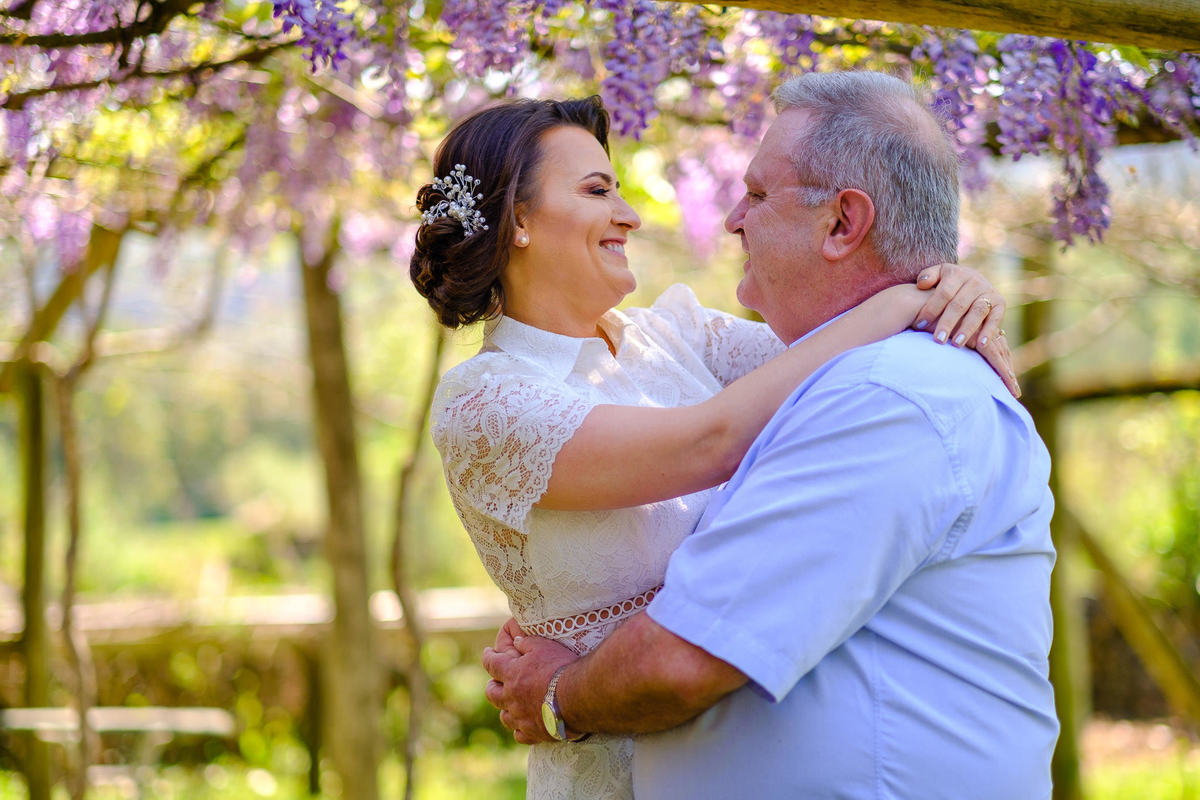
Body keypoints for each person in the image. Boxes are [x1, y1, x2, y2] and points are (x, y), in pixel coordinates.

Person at [411, 90, 1016, 799]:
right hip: (616, 764)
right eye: (598, 190)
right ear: (518, 220)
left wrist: (947, 284)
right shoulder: (484, 404)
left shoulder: (677, 335)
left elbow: (839, 359)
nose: (630, 215)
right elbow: (713, 441)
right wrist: (903, 303)